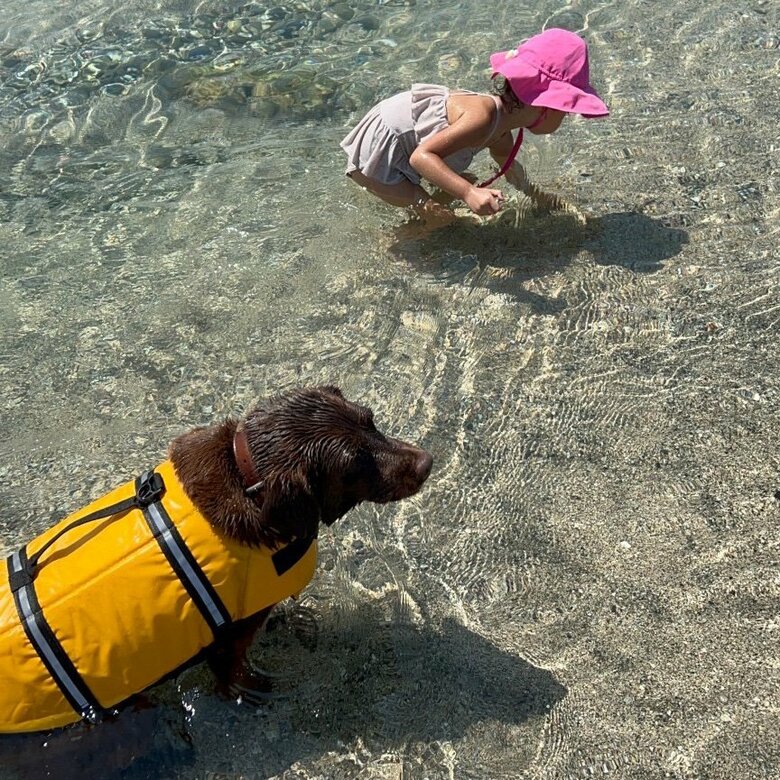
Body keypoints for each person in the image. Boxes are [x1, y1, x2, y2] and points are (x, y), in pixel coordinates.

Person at [340, 28, 609, 224]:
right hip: (378, 156)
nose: (564, 119)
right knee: (441, 217)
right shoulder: (481, 119)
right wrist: (469, 194)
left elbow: (507, 163)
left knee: (464, 179)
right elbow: (421, 157)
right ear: (546, 107)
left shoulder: (500, 125)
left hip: (396, 141)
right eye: (566, 112)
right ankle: (396, 245)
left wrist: (536, 196)